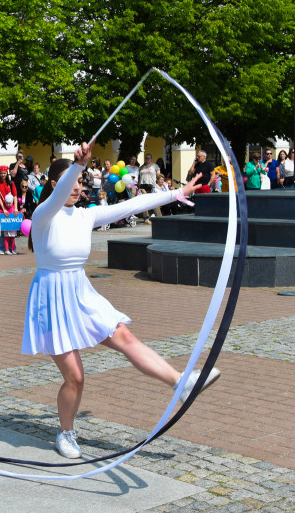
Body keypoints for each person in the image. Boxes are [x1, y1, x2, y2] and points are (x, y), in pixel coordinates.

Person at [23, 140, 219, 458]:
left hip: (80, 293)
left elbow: (127, 207)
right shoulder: (44, 215)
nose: (76, 187)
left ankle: (181, 383)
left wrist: (174, 194)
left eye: (79, 182)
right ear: (56, 184)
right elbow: (57, 198)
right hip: (51, 300)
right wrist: (78, 166)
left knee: (124, 335)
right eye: (70, 183)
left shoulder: (85, 216)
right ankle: (66, 432)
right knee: (75, 377)